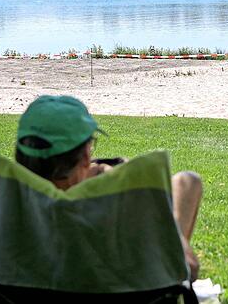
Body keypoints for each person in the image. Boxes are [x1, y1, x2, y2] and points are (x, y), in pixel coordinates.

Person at [14, 95, 203, 280]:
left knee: (186, 181)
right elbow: (188, 268)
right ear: (86, 156)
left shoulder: (7, 210)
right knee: (187, 181)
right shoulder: (103, 216)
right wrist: (172, 232)